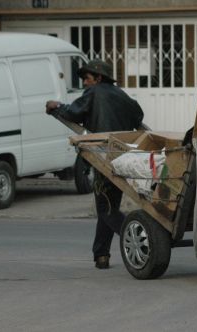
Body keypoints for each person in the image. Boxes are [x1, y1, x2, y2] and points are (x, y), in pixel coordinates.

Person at [46, 59, 144, 269]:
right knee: (108, 206)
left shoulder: (95, 92)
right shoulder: (123, 96)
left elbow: (73, 112)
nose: (85, 83)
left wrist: (56, 106)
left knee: (106, 209)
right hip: (126, 160)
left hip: (103, 159)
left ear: (98, 78)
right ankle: (101, 255)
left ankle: (138, 235)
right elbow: (138, 115)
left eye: (87, 79)